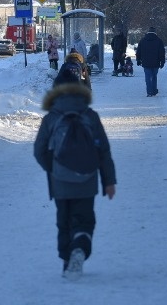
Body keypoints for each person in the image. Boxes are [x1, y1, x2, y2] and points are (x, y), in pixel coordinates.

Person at [33, 64, 117, 279]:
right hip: (87, 179)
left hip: (60, 180)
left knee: (64, 222)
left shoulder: (51, 118)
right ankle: (80, 246)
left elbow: (39, 151)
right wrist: (109, 181)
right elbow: (103, 150)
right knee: (84, 219)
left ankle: (66, 261)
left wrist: (53, 168)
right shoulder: (90, 116)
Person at [135, 26, 165, 97]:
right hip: (156, 62)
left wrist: (138, 60)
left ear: (148, 32)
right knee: (154, 76)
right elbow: (162, 52)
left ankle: (149, 92)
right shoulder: (159, 41)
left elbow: (138, 51)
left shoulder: (143, 40)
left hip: (146, 62)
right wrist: (162, 61)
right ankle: (154, 91)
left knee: (148, 77)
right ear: (155, 32)